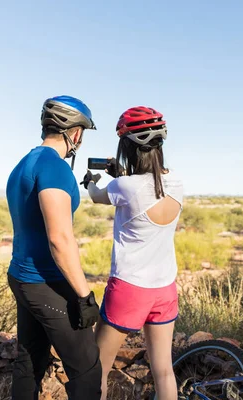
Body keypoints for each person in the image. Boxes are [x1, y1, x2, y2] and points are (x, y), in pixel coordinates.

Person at [81, 106, 183, 400]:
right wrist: (124, 175)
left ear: (126, 146)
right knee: (164, 370)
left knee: (97, 369)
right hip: (165, 287)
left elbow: (98, 196)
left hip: (129, 287)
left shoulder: (124, 186)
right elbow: (148, 186)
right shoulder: (177, 182)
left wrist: (91, 181)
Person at [6, 95, 102, 400]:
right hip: (45, 281)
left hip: (21, 277)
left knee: (29, 364)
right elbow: (60, 239)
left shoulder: (24, 163)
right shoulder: (55, 168)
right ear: (75, 133)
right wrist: (85, 296)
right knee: (86, 371)